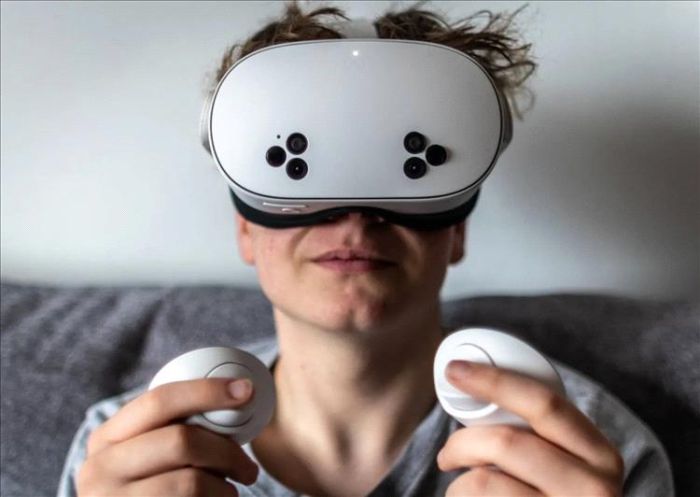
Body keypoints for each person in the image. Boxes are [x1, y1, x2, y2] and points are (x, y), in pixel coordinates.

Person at [58, 1, 674, 496]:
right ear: (245, 229)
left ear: (457, 231)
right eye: (299, 181)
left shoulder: (589, 453)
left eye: (407, 177)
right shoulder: (126, 456)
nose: (355, 220)